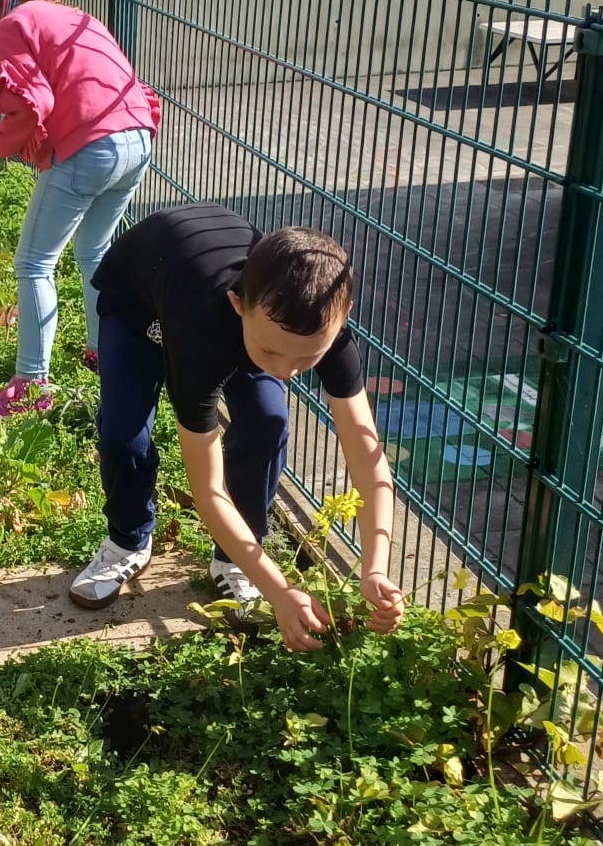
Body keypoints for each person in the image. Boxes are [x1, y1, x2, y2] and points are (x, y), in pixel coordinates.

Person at [68, 204, 407, 651]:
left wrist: (375, 567)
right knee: (122, 434)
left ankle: (235, 561)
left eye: (309, 359)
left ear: (342, 316)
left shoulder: (308, 325)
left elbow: (368, 458)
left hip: (225, 308)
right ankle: (127, 540)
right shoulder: (201, 338)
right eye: (273, 355)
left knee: (269, 417)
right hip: (137, 304)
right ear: (238, 304)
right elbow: (207, 489)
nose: (288, 372)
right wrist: (280, 590)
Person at [0, 0, 159, 418]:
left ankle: (29, 387)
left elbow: (31, 107)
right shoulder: (73, 15)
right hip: (137, 138)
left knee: (32, 263)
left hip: (89, 147)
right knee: (95, 252)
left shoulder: (10, 28)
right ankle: (101, 352)